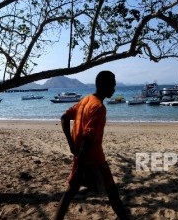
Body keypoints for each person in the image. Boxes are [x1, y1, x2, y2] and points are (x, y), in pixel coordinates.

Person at [54, 71, 130, 220]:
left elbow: (64, 117)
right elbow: (88, 141)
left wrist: (71, 144)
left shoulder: (86, 100)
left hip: (79, 157)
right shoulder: (99, 108)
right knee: (113, 193)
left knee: (69, 193)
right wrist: (80, 168)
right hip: (94, 159)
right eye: (113, 84)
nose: (114, 88)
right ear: (105, 85)